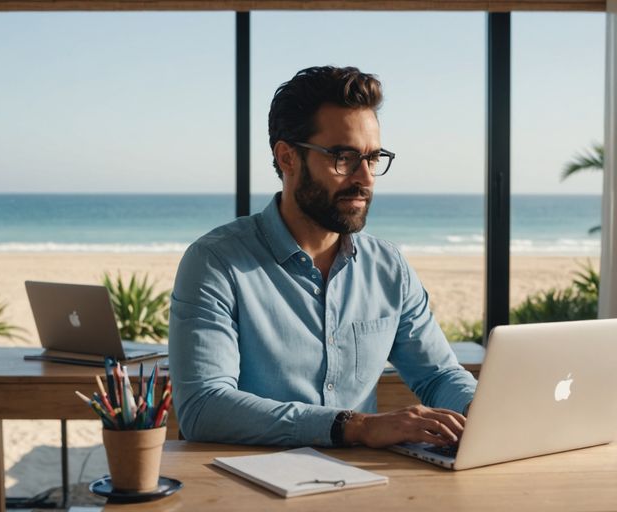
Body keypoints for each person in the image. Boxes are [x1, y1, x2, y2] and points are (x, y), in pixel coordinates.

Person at [169, 65, 476, 448]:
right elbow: (204, 408)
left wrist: (484, 411)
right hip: (246, 488)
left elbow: (438, 376)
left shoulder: (388, 267)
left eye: (373, 158)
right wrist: (355, 426)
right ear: (287, 158)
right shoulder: (215, 263)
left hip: (364, 484)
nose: (364, 177)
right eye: (344, 157)